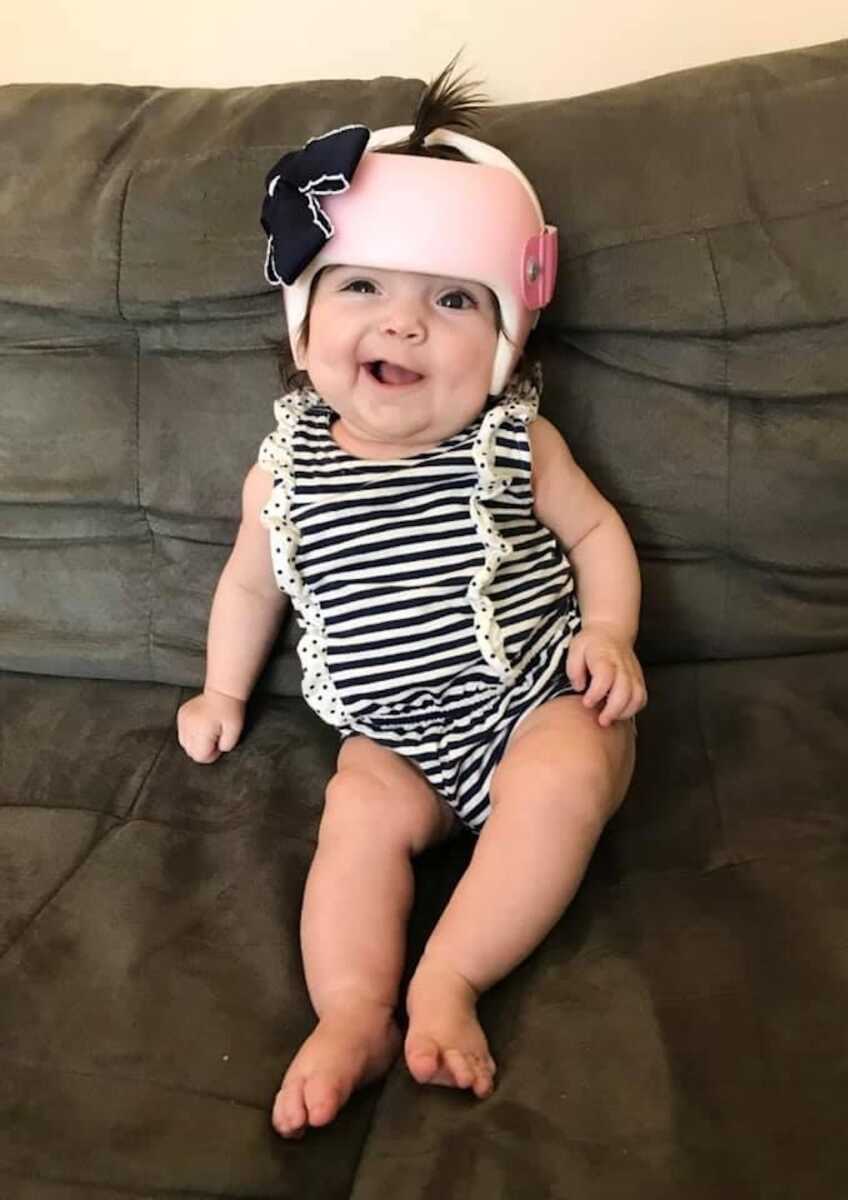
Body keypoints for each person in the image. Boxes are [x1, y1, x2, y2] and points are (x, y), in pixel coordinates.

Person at [177, 63, 647, 1138]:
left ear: (502, 347)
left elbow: (597, 534)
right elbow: (252, 581)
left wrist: (612, 633)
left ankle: (450, 978)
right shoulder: (282, 470)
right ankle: (352, 1014)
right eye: (362, 287)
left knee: (569, 772)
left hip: (534, 702)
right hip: (392, 738)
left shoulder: (514, 445)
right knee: (357, 814)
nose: (404, 325)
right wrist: (220, 689)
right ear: (302, 324)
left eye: (451, 299)